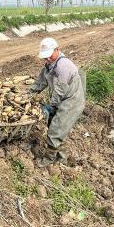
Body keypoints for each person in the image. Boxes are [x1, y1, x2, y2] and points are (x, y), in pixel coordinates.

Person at [30, 37, 85, 166]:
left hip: (71, 102)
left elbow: (60, 92)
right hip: (62, 100)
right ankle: (62, 158)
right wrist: (28, 94)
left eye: (49, 56)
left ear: (57, 50)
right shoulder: (49, 65)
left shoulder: (63, 66)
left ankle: (49, 159)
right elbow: (40, 82)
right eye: (45, 57)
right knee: (58, 129)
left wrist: (50, 106)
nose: (47, 59)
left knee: (55, 131)